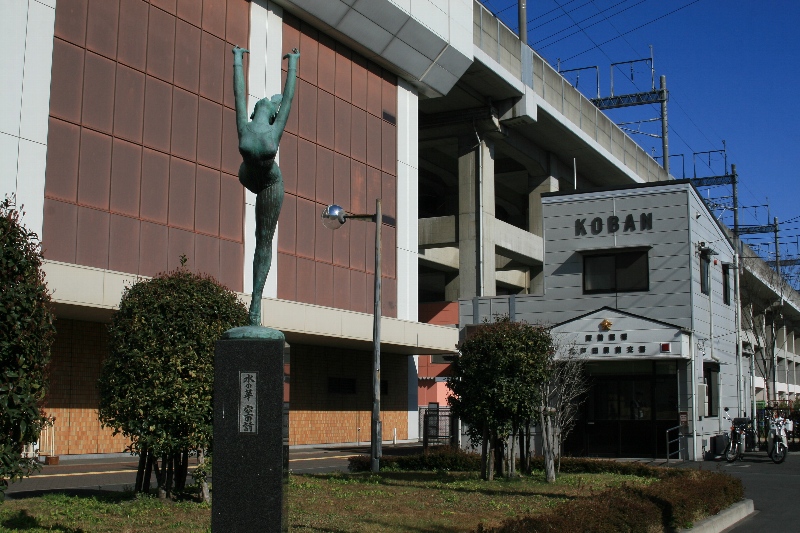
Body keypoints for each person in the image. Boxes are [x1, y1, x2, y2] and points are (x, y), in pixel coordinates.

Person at [232, 46, 300, 326]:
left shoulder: (274, 130)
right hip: (250, 178)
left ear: (273, 113)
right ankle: (255, 304)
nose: (268, 101)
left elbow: (290, 96)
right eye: (269, 101)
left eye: (272, 102)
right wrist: (237, 59)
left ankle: (256, 303)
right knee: (261, 238)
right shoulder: (244, 127)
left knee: (264, 239)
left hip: (271, 184)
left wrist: (293, 65)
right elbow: (238, 93)